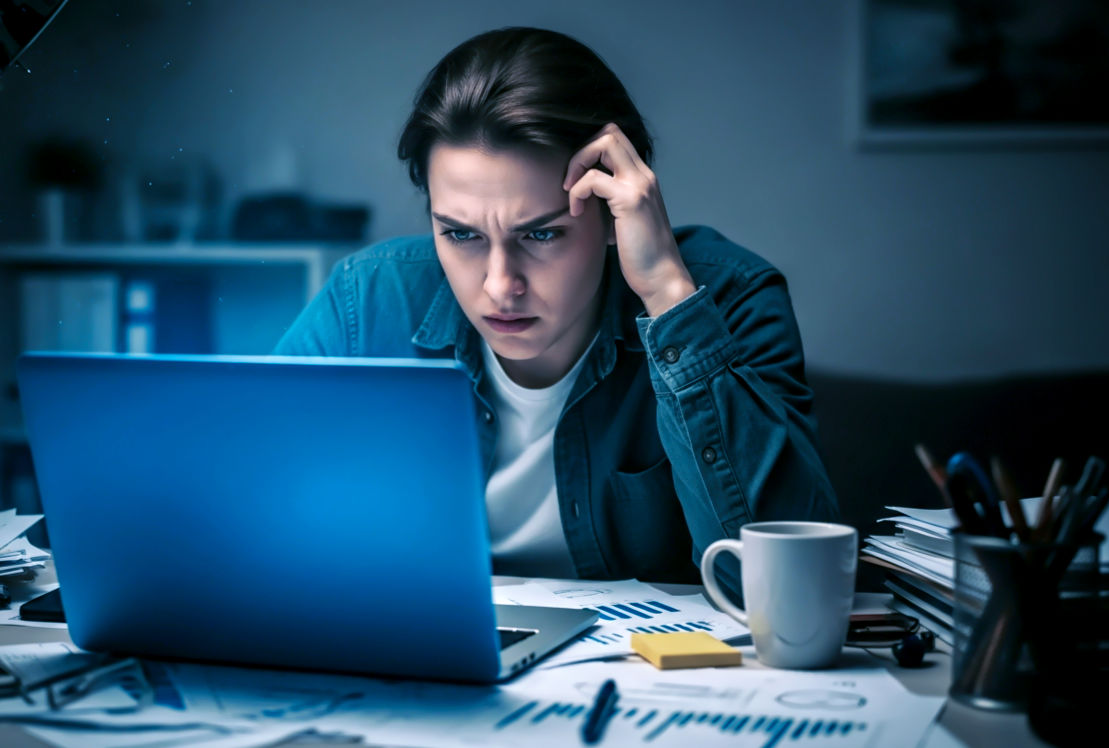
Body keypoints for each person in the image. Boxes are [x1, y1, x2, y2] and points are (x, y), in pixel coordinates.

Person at [274, 27, 838, 596]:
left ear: (615, 211)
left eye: (541, 233)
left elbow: (783, 593)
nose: (500, 285)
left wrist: (667, 292)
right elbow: (252, 523)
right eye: (461, 234)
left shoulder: (729, 297)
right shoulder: (366, 302)